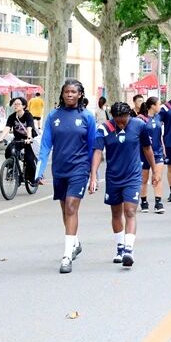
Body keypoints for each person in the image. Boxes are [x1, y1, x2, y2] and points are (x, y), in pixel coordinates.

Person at [36, 79, 97, 274]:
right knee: (65, 209)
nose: (70, 94)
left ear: (80, 94)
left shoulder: (87, 117)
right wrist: (39, 171)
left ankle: (67, 255)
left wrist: (93, 174)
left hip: (79, 168)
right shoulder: (53, 116)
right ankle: (75, 243)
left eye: (73, 92)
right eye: (66, 92)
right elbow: (46, 145)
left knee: (71, 206)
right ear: (62, 94)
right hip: (60, 169)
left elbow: (94, 147)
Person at [89, 102, 158, 268]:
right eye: (118, 120)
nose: (121, 123)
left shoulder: (139, 125)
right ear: (113, 117)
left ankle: (128, 249)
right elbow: (97, 151)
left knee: (130, 211)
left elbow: (147, 149)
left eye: (124, 120)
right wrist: (93, 176)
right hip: (113, 177)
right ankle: (120, 247)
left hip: (133, 176)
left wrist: (155, 170)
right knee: (116, 213)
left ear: (129, 116)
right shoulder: (104, 128)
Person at [0, 96, 38, 185]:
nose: (15, 106)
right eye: (14, 104)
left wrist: (29, 138)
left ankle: (32, 178)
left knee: (29, 159)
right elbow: (7, 128)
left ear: (23, 106)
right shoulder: (12, 117)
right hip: (18, 139)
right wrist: (1, 138)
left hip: (28, 140)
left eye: (18, 104)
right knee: (9, 150)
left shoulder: (28, 115)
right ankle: (12, 169)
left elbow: (29, 127)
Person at [138, 97, 165, 214]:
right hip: (143, 153)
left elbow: (160, 135)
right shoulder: (141, 119)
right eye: (159, 104)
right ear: (153, 106)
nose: (160, 106)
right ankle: (144, 201)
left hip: (157, 152)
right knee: (143, 179)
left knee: (157, 176)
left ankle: (158, 203)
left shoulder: (158, 117)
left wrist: (163, 148)